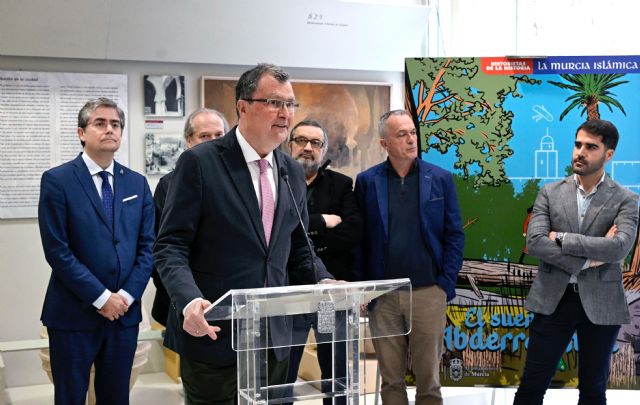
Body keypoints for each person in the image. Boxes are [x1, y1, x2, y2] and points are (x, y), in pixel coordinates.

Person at [154, 63, 332, 405]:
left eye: (290, 104)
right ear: (243, 106)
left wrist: (324, 280)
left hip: (275, 338)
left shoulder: (291, 171)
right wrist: (189, 300)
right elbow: (170, 245)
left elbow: (297, 246)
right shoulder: (200, 163)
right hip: (214, 333)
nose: (285, 113)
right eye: (274, 102)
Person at [513, 119, 639, 405]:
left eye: (591, 147)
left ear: (608, 154)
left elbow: (619, 248)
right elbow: (535, 242)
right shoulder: (550, 192)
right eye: (577, 144)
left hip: (603, 302)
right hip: (553, 300)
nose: (580, 152)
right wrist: (586, 262)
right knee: (531, 387)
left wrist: (562, 238)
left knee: (593, 390)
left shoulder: (625, 199)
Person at [38, 97, 155, 404]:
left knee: (116, 397)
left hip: (123, 315)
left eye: (115, 124)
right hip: (73, 314)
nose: (109, 130)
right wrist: (102, 298)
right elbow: (57, 250)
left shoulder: (137, 184)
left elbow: (148, 247)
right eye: (100, 123)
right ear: (81, 132)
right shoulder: (58, 180)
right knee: (70, 398)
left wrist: (125, 297)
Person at [354, 109, 464, 405]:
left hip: (428, 292)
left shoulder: (440, 178)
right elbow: (359, 240)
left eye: (413, 132)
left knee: (429, 382)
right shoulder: (367, 181)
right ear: (384, 143)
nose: (411, 139)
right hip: (383, 295)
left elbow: (454, 234)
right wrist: (363, 288)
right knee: (391, 381)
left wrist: (445, 284)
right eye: (401, 134)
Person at [284, 120, 362, 404]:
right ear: (289, 145)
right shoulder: (278, 181)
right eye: (301, 140)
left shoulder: (341, 185)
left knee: (335, 370)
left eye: (315, 143)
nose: (308, 147)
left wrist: (306, 243)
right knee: (284, 371)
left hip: (329, 295)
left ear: (324, 149)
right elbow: (279, 229)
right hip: (289, 295)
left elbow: (351, 232)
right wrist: (320, 222)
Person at [151, 108, 229, 326]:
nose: (213, 141)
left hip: (227, 300)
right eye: (204, 136)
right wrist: (183, 298)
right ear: (188, 140)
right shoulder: (169, 185)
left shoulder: (238, 182)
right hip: (182, 301)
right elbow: (164, 247)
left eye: (219, 135)